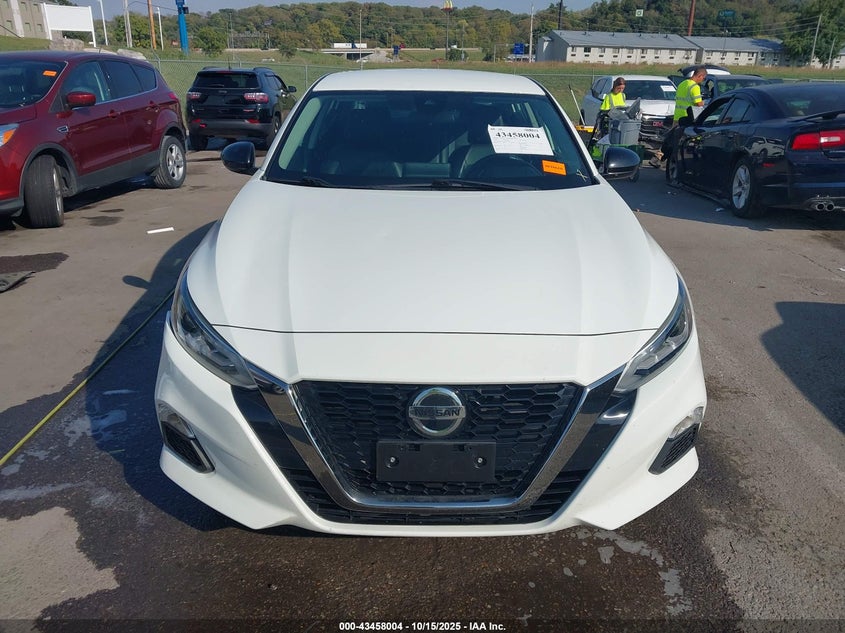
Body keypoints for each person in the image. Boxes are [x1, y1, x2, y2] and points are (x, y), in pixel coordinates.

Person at [651, 65, 707, 169]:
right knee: (679, 142)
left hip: (677, 116)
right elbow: (699, 104)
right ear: (700, 76)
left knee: (670, 139)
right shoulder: (695, 87)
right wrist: (705, 102)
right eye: (703, 78)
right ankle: (672, 161)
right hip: (687, 118)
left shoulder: (682, 84)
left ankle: (658, 157)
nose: (702, 80)